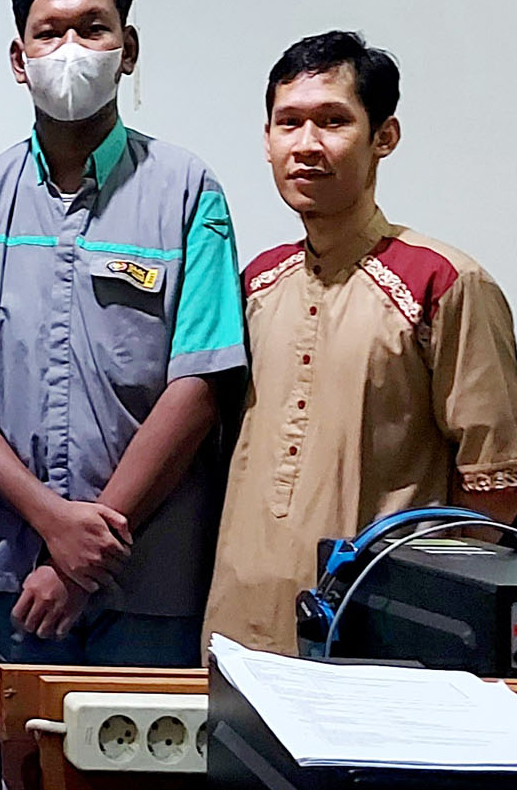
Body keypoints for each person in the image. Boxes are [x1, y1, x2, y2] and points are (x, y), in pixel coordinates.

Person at [0, 0, 246, 666]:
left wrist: (85, 553)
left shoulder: (188, 193)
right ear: (19, 58)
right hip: (1, 576)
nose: (70, 48)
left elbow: (199, 384)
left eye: (92, 28)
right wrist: (51, 522)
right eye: (50, 32)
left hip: (147, 578)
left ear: (128, 48)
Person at [204, 32, 517, 652]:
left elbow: (495, 488)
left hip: (378, 635)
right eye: (288, 123)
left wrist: (441, 624)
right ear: (266, 140)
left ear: (384, 137)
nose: (306, 145)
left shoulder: (445, 283)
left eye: (333, 121)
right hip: (238, 625)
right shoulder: (254, 283)